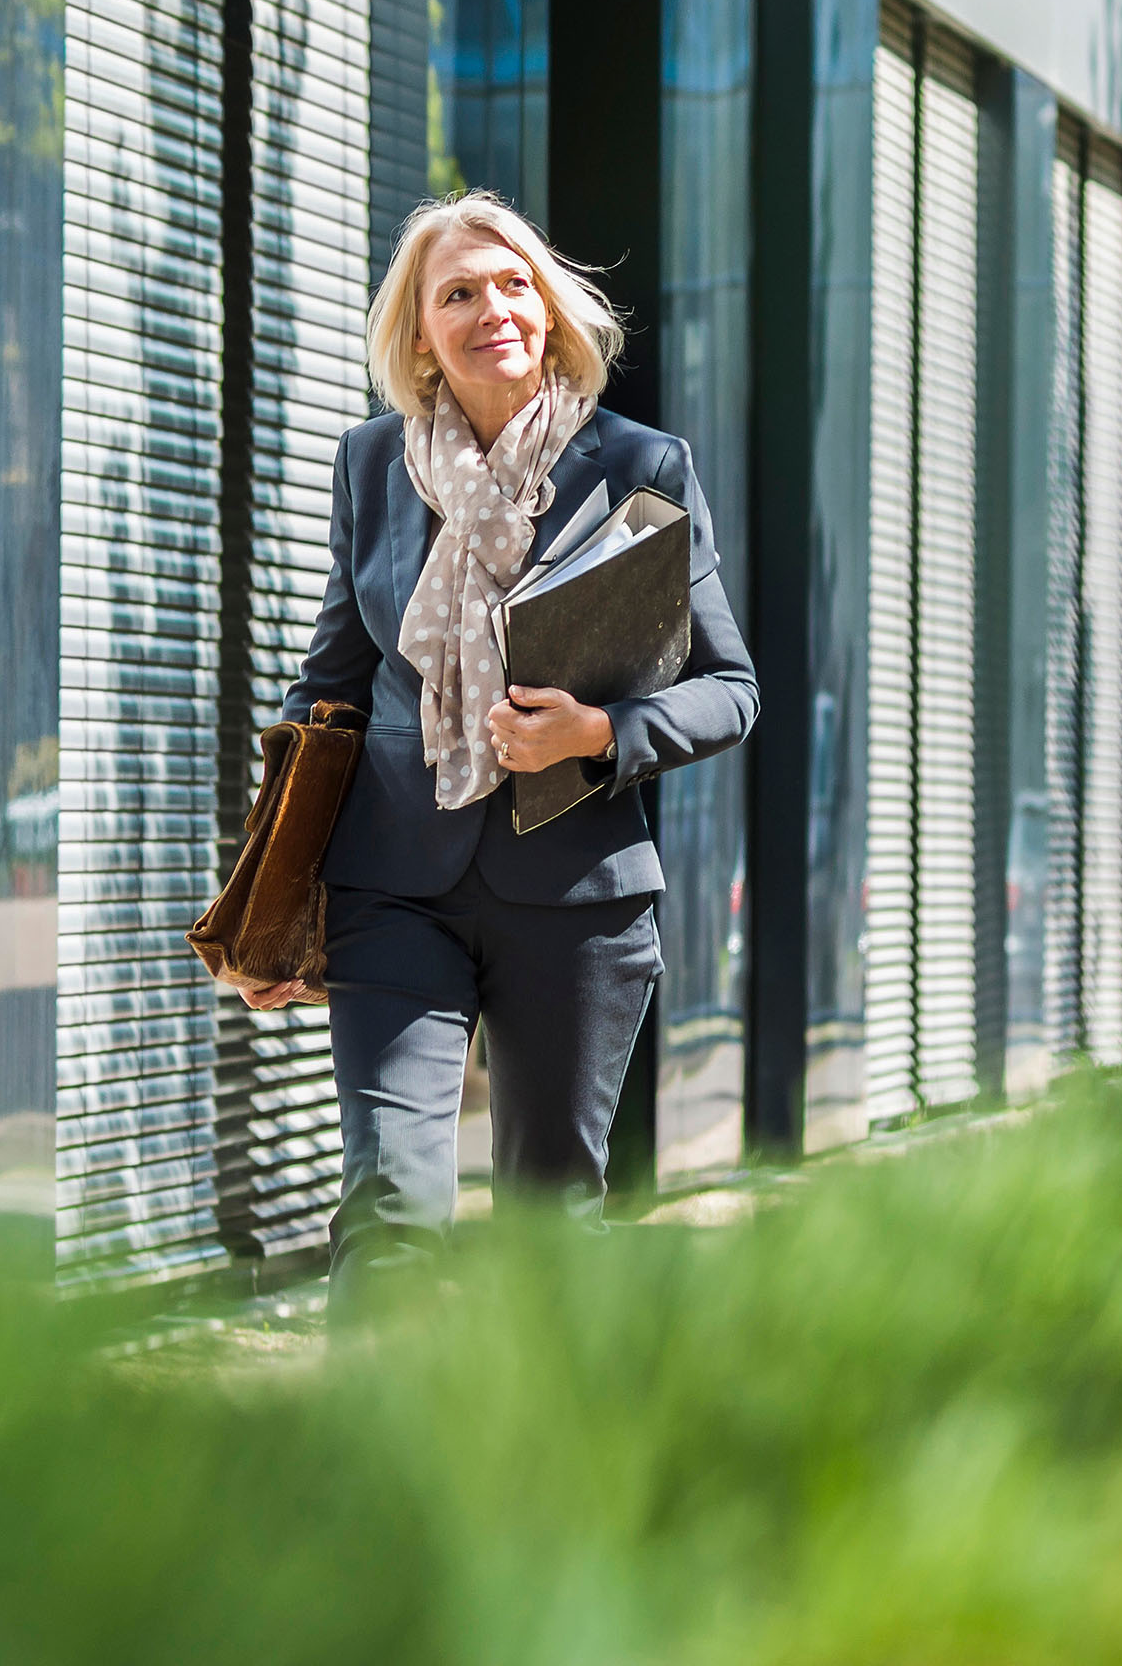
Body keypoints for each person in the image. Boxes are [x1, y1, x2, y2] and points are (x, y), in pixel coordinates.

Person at [245, 191, 756, 1304]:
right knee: (388, 1203)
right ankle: (371, 1463)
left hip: (576, 898)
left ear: (552, 306)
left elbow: (733, 690)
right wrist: (269, 892)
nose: (492, 310)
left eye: (513, 283)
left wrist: (601, 733)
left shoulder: (639, 465)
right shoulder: (372, 465)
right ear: (420, 332)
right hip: (394, 889)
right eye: (458, 293)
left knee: (548, 1228)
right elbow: (330, 686)